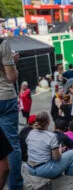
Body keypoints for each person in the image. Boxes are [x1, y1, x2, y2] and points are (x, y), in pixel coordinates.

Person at [0, 37, 23, 189]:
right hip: (4, 98)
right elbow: (11, 77)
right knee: (12, 143)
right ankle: (15, 185)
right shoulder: (3, 44)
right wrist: (13, 62)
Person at [26, 112, 73, 178]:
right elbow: (56, 158)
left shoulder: (31, 133)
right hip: (44, 170)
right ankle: (71, 180)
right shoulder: (51, 136)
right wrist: (59, 151)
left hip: (30, 168)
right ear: (48, 122)